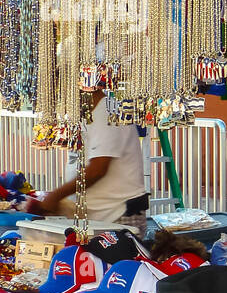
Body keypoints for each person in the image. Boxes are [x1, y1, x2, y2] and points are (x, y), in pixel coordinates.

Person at [28, 91, 149, 233]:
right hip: (97, 217)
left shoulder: (107, 112)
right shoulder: (88, 115)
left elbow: (97, 170)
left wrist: (56, 196)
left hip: (117, 218)